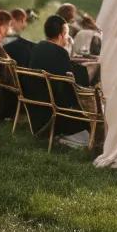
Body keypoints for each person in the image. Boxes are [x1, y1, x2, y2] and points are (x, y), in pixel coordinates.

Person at [24, 13, 92, 147]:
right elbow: (70, 88)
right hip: (52, 114)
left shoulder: (37, 48)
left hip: (36, 110)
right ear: (61, 35)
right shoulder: (60, 52)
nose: (67, 38)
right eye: (66, 34)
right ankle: (61, 139)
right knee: (88, 134)